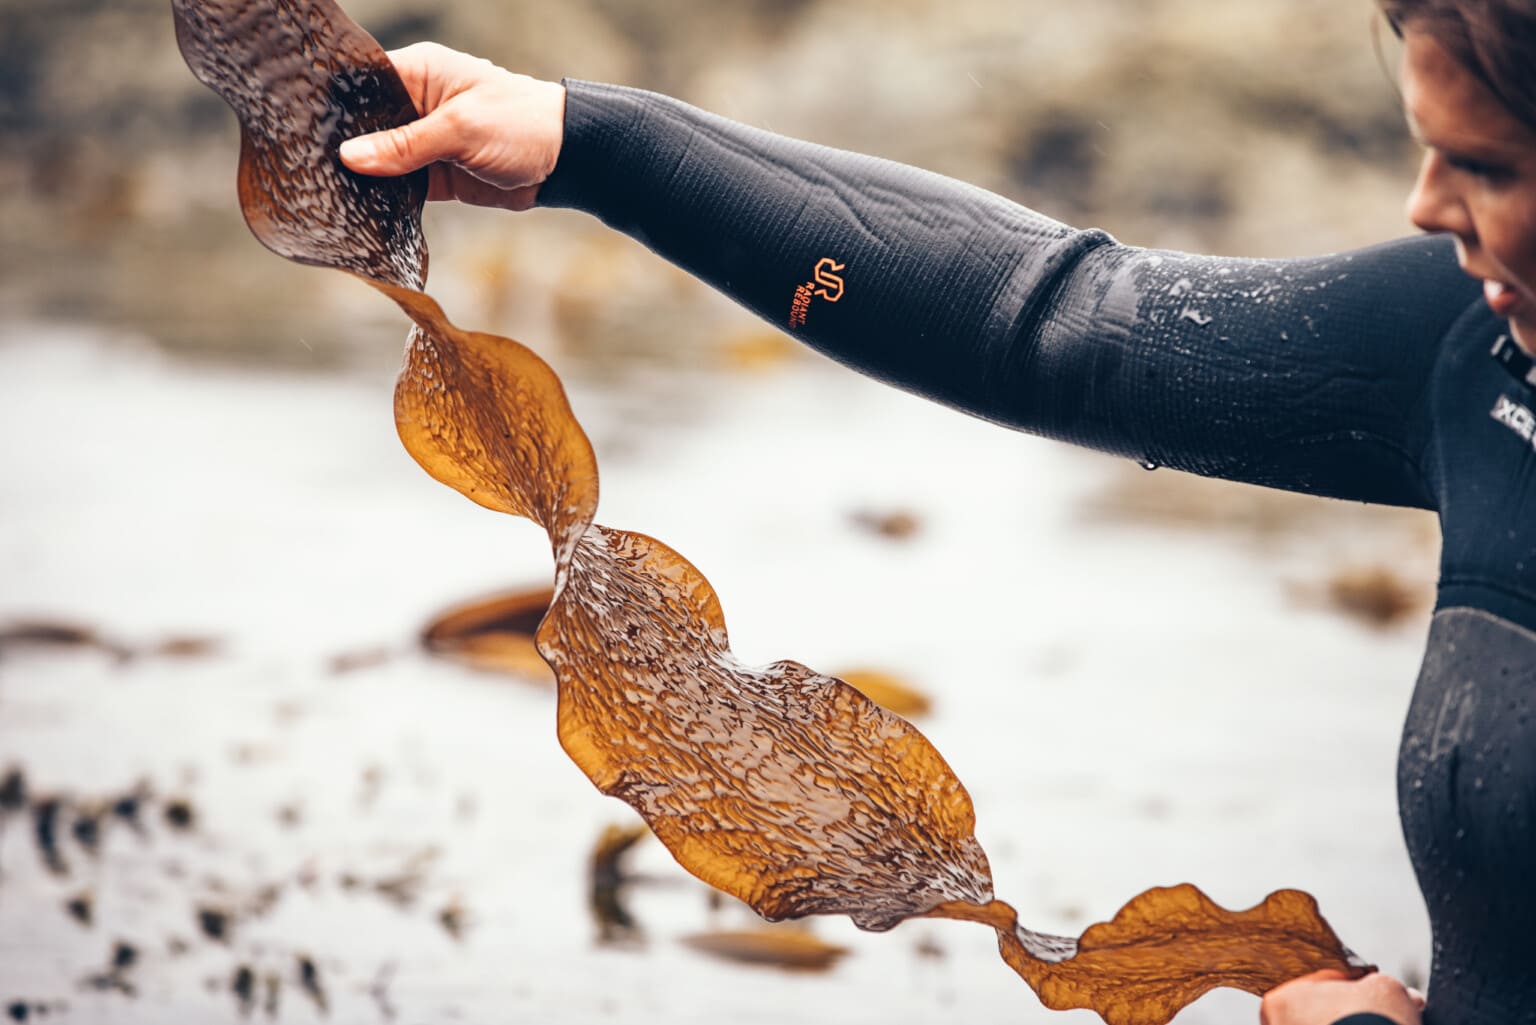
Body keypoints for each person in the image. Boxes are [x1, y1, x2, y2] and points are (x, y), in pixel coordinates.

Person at [339, 2, 1536, 1023]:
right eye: (1431, 151)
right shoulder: (1474, 348)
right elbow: (1058, 321)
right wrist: (584, 142)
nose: (1427, 207)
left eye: (1485, 166)